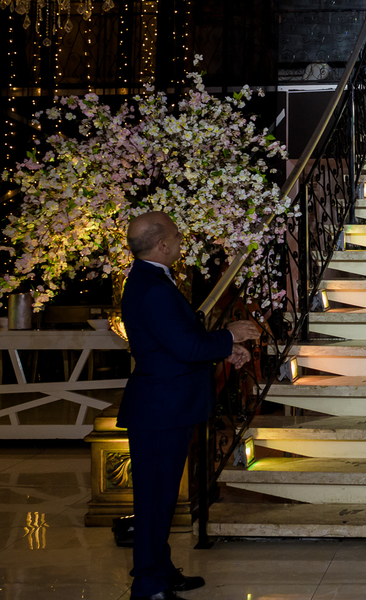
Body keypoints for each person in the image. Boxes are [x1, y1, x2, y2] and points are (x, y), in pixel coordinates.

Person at [117, 211, 260, 600]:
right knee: (155, 499)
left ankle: (160, 570)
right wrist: (230, 337)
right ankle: (148, 584)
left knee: (161, 497)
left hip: (165, 406)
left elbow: (181, 340)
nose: (182, 242)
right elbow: (186, 348)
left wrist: (226, 351)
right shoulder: (154, 287)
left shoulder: (150, 279)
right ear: (162, 244)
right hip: (161, 409)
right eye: (178, 237)